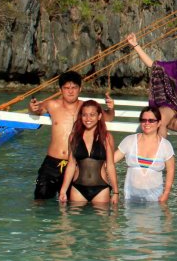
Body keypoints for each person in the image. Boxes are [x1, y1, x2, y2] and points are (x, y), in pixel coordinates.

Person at [28, 71, 115, 200]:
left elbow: (108, 117)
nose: (70, 91)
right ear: (60, 89)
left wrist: (111, 108)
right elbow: (37, 110)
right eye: (66, 88)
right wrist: (31, 108)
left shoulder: (86, 108)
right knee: (40, 199)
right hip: (52, 161)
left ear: (80, 89)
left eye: (74, 88)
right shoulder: (52, 105)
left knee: (70, 204)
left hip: (75, 164)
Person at [57, 100, 118, 205]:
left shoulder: (106, 137)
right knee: (73, 221)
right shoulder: (73, 137)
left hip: (101, 189)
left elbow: (110, 166)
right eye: (84, 115)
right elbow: (71, 164)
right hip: (77, 188)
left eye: (92, 115)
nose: (88, 118)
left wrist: (116, 192)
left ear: (99, 116)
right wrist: (63, 190)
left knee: (103, 221)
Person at [116, 106, 176, 203]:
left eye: (151, 120)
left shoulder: (165, 145)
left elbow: (171, 170)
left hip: (155, 198)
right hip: (130, 196)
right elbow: (110, 162)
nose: (147, 123)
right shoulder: (129, 140)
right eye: (143, 120)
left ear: (159, 123)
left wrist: (166, 193)